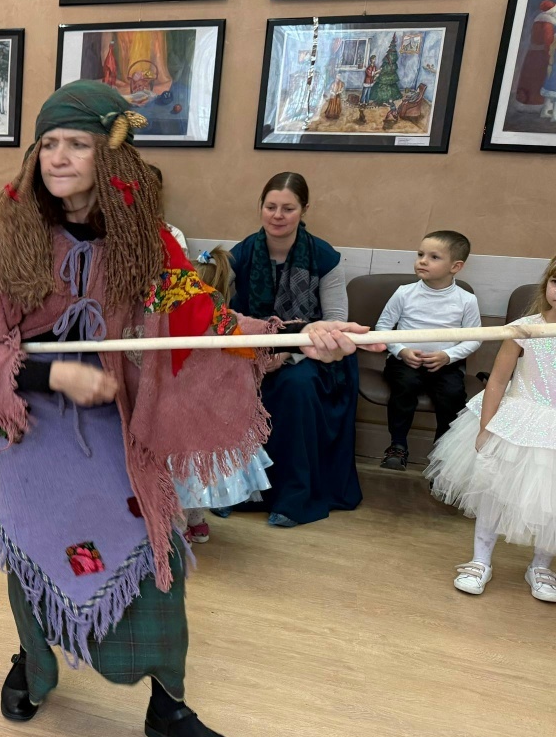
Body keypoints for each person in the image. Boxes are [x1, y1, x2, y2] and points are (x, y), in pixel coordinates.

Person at [0, 81, 367, 737]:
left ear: (110, 156)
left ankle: (168, 707)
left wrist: (301, 336)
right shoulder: (13, 239)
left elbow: (204, 323)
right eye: (49, 144)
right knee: (34, 553)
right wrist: (55, 375)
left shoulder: (145, 246)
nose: (58, 157)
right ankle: (31, 663)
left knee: (153, 559)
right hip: (30, 434)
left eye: (77, 144)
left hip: (115, 430)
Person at [227, 172, 361, 527]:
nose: (277, 215)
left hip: (315, 352)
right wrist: (258, 354)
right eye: (270, 206)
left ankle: (293, 497)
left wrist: (288, 353)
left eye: (288, 208)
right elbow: (223, 313)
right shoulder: (241, 254)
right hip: (252, 349)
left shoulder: (325, 257)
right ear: (260, 207)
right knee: (227, 383)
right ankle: (236, 491)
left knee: (295, 386)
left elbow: (336, 322)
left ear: (304, 210)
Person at [427, 256, 556, 603]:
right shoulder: (524, 328)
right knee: (493, 491)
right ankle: (480, 559)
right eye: (555, 282)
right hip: (516, 420)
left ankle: (541, 565)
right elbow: (497, 381)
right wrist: (486, 428)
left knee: (552, 501)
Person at [173, 248, 273, 545]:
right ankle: (197, 523)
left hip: (182, 416)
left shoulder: (177, 323)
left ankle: (179, 529)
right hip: (214, 416)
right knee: (200, 472)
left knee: (182, 474)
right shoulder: (227, 325)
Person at [375, 230, 481, 471]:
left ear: (455, 266)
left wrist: (448, 356)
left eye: (434, 257)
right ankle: (397, 446)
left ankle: (442, 454)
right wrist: (401, 351)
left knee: (453, 395)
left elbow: (475, 338)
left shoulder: (466, 300)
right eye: (420, 254)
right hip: (404, 362)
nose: (422, 261)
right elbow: (382, 328)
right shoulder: (404, 293)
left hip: (445, 364)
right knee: (405, 386)